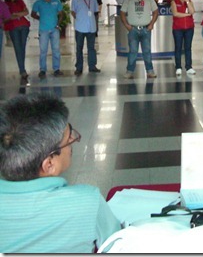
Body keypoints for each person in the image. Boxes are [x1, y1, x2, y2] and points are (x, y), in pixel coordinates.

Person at [0, 94, 121, 252]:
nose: (72, 141)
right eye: (68, 140)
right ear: (49, 164)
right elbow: (119, 246)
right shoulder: (87, 202)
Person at [120, 0, 159, 79]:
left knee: (147, 51)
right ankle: (129, 71)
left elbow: (155, 12)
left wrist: (151, 24)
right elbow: (122, 13)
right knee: (133, 51)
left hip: (146, 29)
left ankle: (150, 71)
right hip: (133, 30)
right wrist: (127, 25)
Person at [31, 0, 64, 78]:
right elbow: (33, 14)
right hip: (43, 30)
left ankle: (56, 69)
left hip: (54, 30)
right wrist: (40, 18)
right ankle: (42, 70)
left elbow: (61, 14)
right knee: (43, 50)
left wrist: (58, 24)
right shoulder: (38, 2)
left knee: (56, 50)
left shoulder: (56, 1)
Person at [71, 0, 101, 76]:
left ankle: (92, 66)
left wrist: (96, 26)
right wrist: (79, 18)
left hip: (91, 27)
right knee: (79, 48)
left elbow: (96, 12)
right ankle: (79, 68)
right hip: (80, 27)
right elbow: (73, 12)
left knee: (91, 48)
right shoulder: (75, 0)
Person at [4, 0, 30, 79]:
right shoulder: (5, 4)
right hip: (13, 28)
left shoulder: (20, 1)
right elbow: (7, 17)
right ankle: (22, 70)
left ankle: (22, 69)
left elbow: (26, 12)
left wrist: (16, 14)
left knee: (22, 48)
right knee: (18, 49)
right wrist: (19, 14)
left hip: (24, 27)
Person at [170, 0, 196, 76]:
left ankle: (189, 67)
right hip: (178, 29)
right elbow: (175, 14)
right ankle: (178, 67)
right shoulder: (174, 2)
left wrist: (187, 2)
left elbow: (192, 11)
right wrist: (186, 15)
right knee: (178, 48)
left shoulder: (189, 2)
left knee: (188, 48)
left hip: (189, 28)